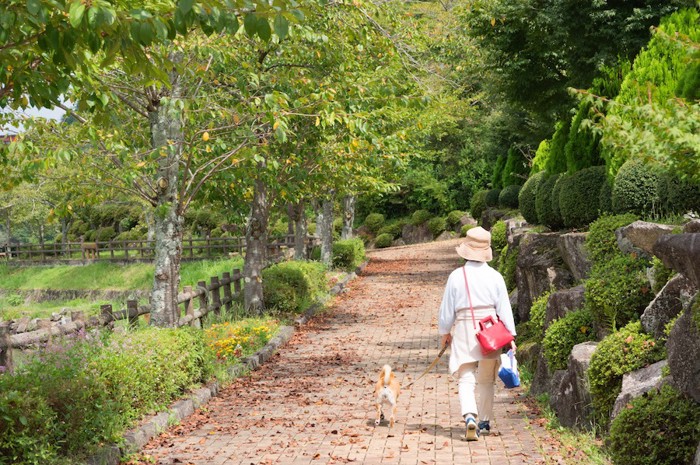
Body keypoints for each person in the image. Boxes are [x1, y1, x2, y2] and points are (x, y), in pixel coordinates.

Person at [438, 226, 516, 441]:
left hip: (464, 327)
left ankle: (469, 417)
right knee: (486, 380)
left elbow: (447, 309)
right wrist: (511, 336)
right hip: (491, 329)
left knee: (465, 376)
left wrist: (445, 332)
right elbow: (504, 308)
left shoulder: (456, 276)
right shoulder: (495, 276)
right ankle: (484, 422)